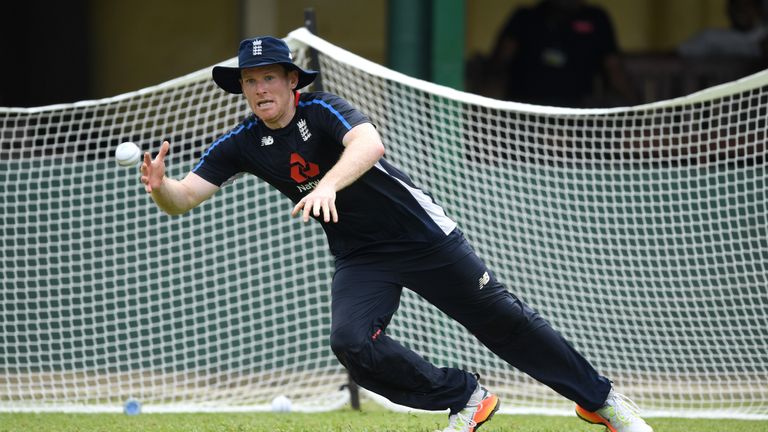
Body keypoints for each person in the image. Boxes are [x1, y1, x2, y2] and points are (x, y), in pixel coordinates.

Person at [140, 36, 653, 432]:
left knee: (505, 323)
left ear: (291, 81)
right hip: (361, 255)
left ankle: (602, 401)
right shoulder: (241, 143)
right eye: (250, 82)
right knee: (350, 342)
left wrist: (329, 187)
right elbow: (184, 199)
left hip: (424, 236)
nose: (259, 90)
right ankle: (466, 397)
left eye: (269, 79)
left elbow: (369, 145)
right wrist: (162, 187)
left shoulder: (323, 110)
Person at [488, 0, 635, 107]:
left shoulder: (596, 18)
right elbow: (498, 66)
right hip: (527, 113)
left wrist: (641, 110)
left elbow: (615, 70)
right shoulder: (525, 17)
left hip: (577, 115)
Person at [678, 0, 768, 60]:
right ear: (728, 9)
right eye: (736, 6)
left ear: (759, 9)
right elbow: (676, 55)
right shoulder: (711, 37)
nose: (742, 11)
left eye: (748, 5)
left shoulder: (764, 36)